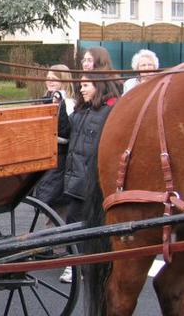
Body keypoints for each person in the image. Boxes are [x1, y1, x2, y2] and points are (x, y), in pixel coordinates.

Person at [60, 73, 119, 283]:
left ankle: (81, 265)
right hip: (76, 178)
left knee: (89, 222)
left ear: (99, 86)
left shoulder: (108, 112)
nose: (82, 89)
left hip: (93, 179)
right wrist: (58, 109)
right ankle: (75, 263)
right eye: (81, 85)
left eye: (86, 85)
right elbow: (66, 132)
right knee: (74, 221)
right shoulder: (80, 110)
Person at [33, 64, 75, 222]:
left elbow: (67, 131)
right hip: (47, 156)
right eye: (48, 77)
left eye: (55, 78)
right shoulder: (46, 99)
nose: (50, 81)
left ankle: (58, 244)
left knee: (56, 204)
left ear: (63, 81)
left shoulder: (68, 102)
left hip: (60, 157)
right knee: (50, 204)